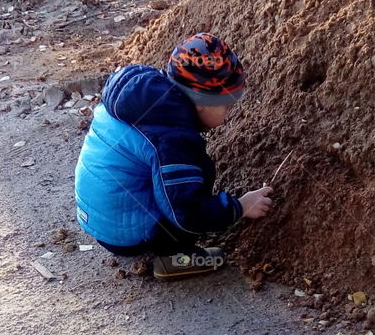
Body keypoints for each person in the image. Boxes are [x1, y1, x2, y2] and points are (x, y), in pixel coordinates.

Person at [74, 32, 273, 278]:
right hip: (125, 237)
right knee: (195, 175)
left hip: (99, 220)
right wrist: (240, 207)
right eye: (228, 106)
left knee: (180, 175)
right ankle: (174, 258)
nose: (230, 115)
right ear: (203, 102)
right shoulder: (172, 139)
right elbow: (185, 212)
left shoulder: (146, 99)